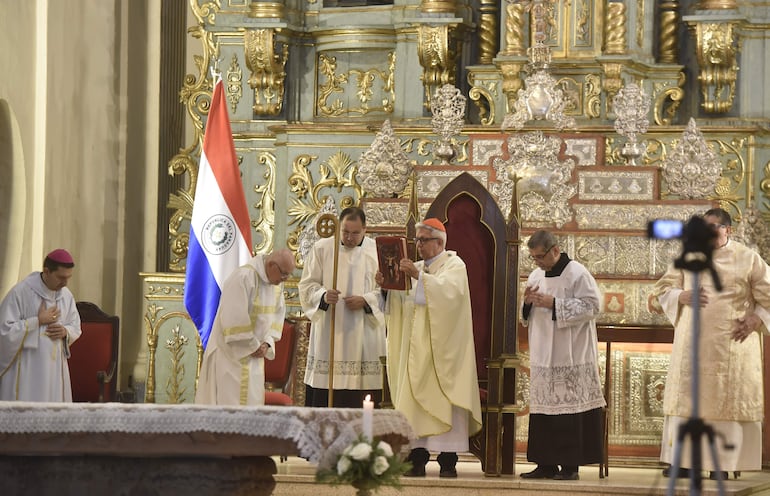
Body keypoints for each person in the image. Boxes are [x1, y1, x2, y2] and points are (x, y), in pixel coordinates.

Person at [653, 207, 770, 479]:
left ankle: (723, 465)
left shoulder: (748, 258)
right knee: (688, 403)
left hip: (732, 346)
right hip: (691, 345)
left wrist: (755, 320)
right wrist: (680, 296)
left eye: (714, 227)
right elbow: (663, 288)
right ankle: (682, 462)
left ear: (728, 230)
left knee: (723, 404)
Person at [378, 218, 482, 478]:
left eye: (423, 240)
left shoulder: (455, 265)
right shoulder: (414, 268)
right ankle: (417, 457)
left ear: (439, 242)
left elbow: (451, 296)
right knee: (415, 403)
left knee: (445, 400)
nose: (418, 245)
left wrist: (419, 278)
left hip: (444, 352)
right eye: (417, 240)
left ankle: (448, 460)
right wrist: (386, 286)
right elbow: (398, 305)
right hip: (415, 352)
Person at [520, 230, 606, 481]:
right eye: (533, 258)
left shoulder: (577, 273)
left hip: (571, 351)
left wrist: (554, 304)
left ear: (555, 250)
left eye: (540, 257)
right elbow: (525, 314)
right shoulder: (536, 274)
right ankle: (545, 464)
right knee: (544, 410)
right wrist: (527, 303)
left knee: (569, 410)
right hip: (543, 349)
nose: (537, 263)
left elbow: (593, 306)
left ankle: (570, 466)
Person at [299, 206, 386, 407]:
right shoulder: (322, 248)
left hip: (364, 332)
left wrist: (366, 300)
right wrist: (323, 296)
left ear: (365, 229)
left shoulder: (377, 250)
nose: (349, 237)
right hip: (331, 330)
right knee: (326, 398)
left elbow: (389, 291)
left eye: (355, 232)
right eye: (345, 231)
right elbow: (307, 285)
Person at [195, 248, 294, 406]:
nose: (285, 279)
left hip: (255, 360)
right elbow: (233, 321)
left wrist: (267, 343)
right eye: (283, 273)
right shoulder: (243, 278)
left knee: (252, 409)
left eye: (288, 274)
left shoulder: (276, 286)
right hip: (231, 359)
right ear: (271, 265)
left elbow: (277, 318)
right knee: (229, 409)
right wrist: (254, 345)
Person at [0, 249, 82, 402]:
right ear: (46, 271)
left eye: (68, 278)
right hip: (28, 368)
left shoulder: (66, 295)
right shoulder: (21, 292)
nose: (65, 283)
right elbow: (4, 331)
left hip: (55, 370)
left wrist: (65, 331)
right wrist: (37, 321)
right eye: (61, 277)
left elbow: (75, 326)